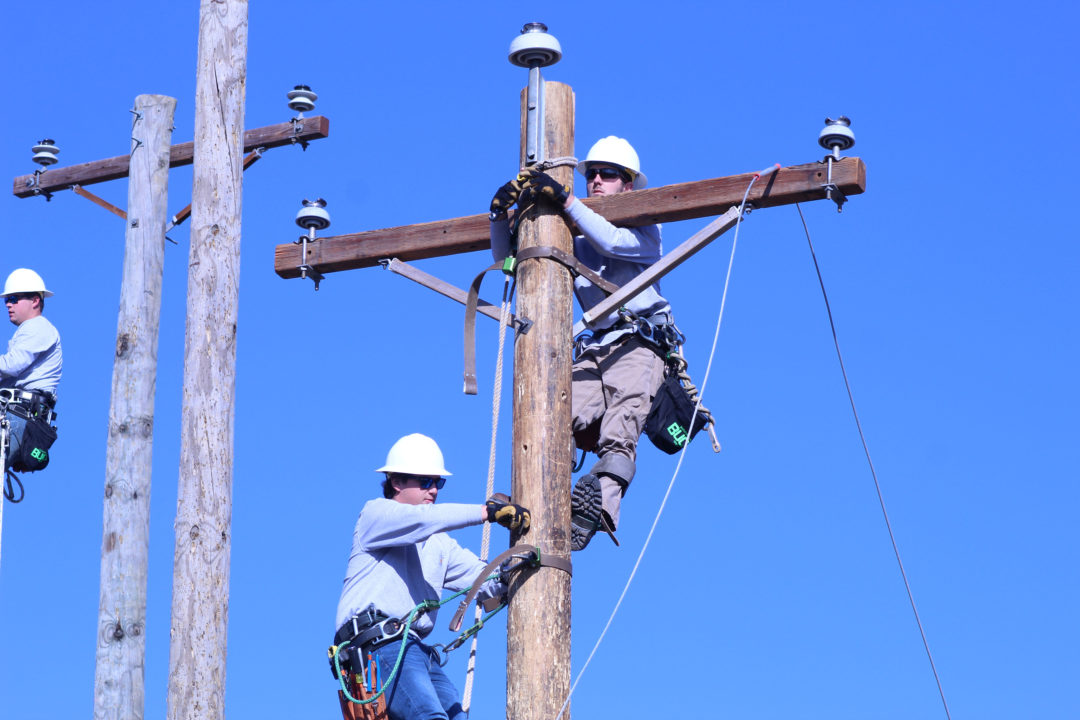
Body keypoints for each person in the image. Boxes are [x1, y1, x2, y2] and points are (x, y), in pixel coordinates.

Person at [490, 136, 674, 551]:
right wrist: (499, 217)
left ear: (629, 185)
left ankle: (600, 510)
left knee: (619, 426)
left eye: (607, 175)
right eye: (591, 174)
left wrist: (567, 201)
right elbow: (511, 259)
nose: (595, 180)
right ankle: (533, 505)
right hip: (594, 348)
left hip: (639, 343)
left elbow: (613, 241)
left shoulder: (647, 222)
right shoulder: (570, 231)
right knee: (552, 415)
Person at [333, 432, 530, 720]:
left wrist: (515, 566)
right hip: (382, 647)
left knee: (456, 717)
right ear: (396, 482)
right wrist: (487, 513)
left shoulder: (439, 545)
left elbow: (484, 581)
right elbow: (422, 521)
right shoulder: (375, 516)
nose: (434, 491)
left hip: (418, 651)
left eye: (438, 483)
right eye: (425, 482)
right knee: (430, 716)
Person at [1, 268, 62, 472]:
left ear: (35, 300)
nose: (8, 304)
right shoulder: (29, 331)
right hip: (20, 416)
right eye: (7, 300)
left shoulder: (38, 327)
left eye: (14, 298)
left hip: (19, 416)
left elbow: (11, 365)